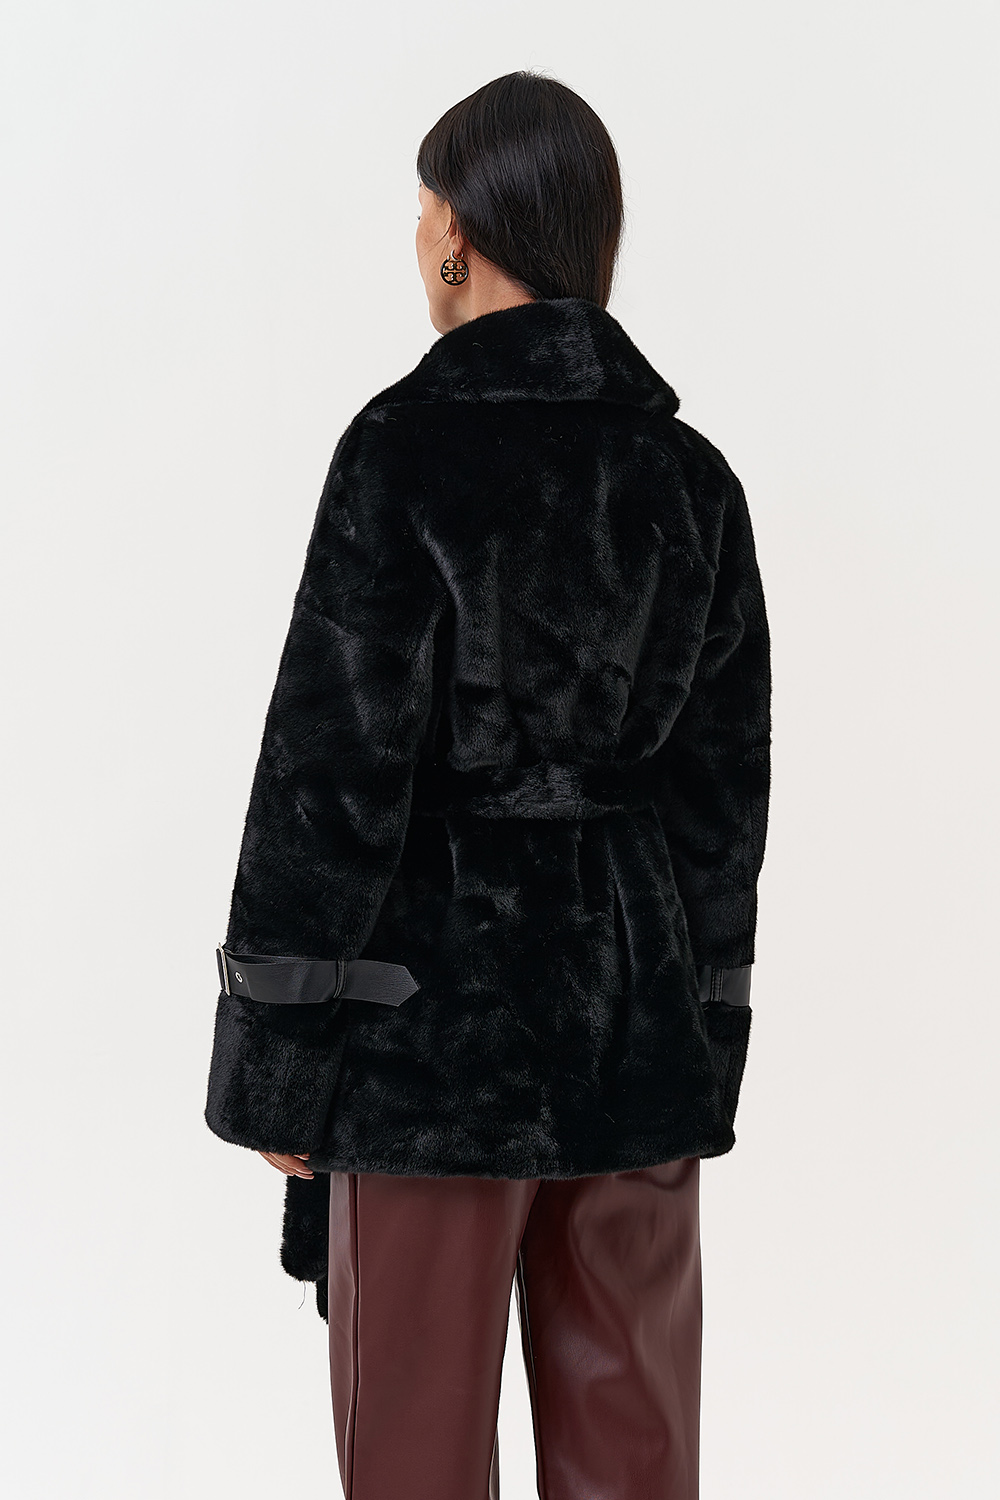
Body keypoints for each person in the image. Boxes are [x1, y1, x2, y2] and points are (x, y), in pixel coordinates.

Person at [205, 69, 771, 1500]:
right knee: (637, 1457)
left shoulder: (400, 455)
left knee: (413, 1457)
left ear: (459, 233)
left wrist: (279, 1061)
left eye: (421, 214)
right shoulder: (691, 481)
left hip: (426, 1051)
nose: (417, 241)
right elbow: (722, 805)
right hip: (631, 1034)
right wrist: (701, 1035)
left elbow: (329, 776)